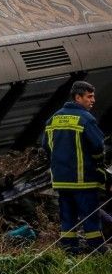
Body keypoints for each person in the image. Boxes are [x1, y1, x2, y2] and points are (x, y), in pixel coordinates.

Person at [41, 80, 106, 253]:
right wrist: (99, 165)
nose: (93, 100)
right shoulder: (86, 118)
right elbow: (98, 147)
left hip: (62, 181)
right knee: (91, 217)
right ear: (78, 97)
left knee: (67, 218)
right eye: (89, 97)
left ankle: (69, 251)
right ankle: (98, 251)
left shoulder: (53, 119)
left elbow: (46, 146)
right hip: (83, 180)